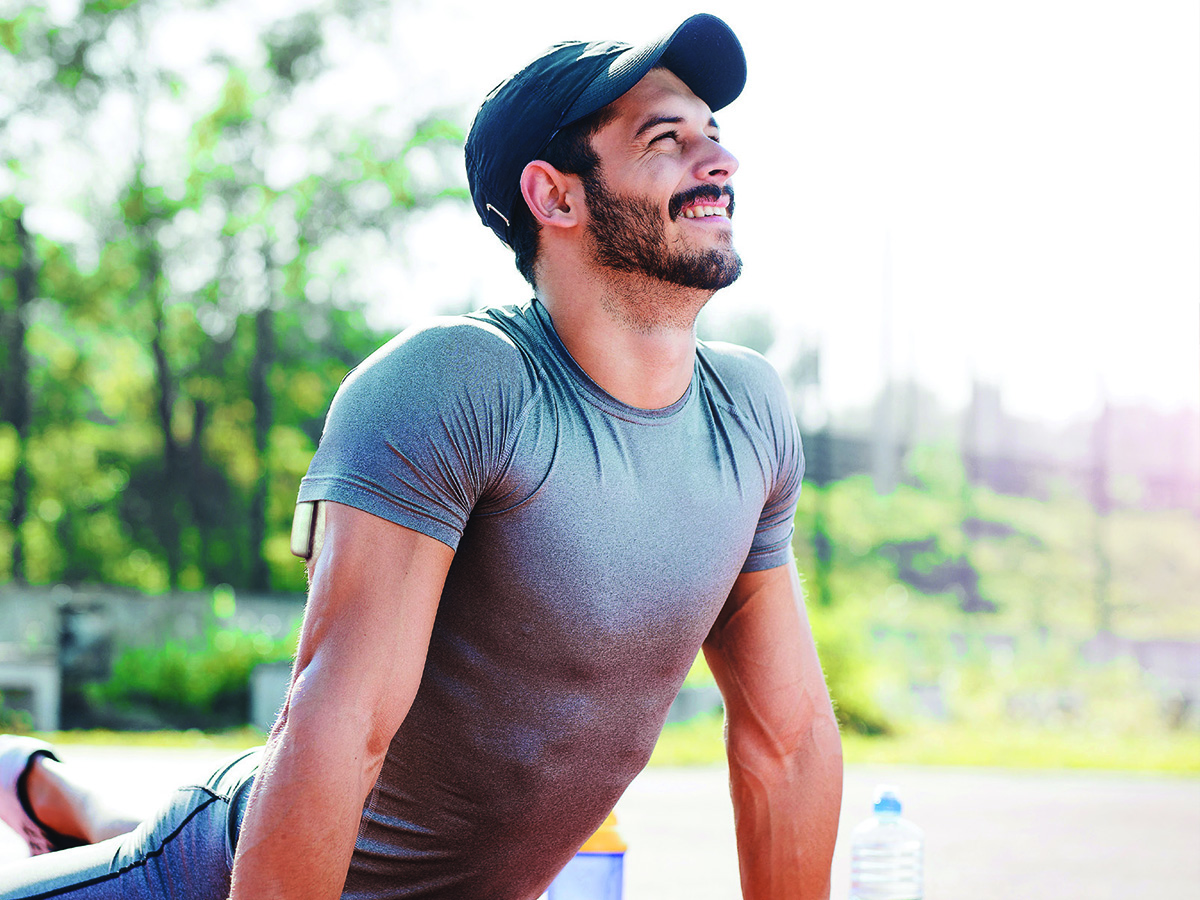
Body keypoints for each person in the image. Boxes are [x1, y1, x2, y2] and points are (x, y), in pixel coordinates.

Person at [0, 13, 843, 899]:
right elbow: (341, 728)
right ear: (556, 197)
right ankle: (48, 792)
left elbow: (784, 743)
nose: (721, 162)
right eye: (666, 138)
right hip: (219, 877)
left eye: (715, 134)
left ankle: (41, 786)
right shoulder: (461, 383)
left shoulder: (746, 413)